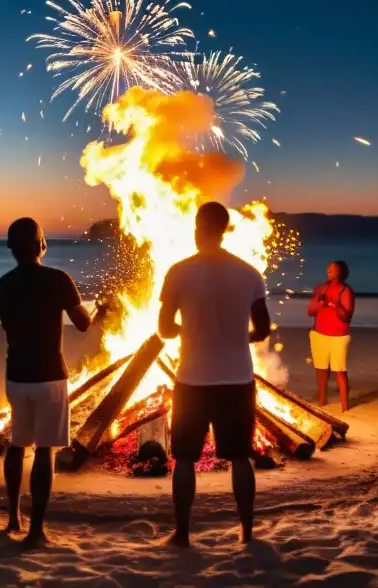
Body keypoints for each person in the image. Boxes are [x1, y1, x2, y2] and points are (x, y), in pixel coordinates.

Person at [158, 202, 272, 547]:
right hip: (237, 379)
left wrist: (187, 329)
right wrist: (238, 337)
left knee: (185, 459)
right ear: (225, 230)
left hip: (193, 379)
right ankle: (247, 532)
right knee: (240, 457)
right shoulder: (249, 273)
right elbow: (263, 329)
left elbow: (164, 329)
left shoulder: (178, 271)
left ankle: (181, 533)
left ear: (197, 228)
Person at [0, 217, 108, 549]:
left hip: (16, 375)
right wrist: (98, 309)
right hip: (50, 376)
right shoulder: (58, 279)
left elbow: (10, 325)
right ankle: (36, 529)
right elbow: (83, 324)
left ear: (11, 248)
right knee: (44, 450)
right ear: (42, 244)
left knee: (17, 444)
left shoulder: (3, 286)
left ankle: (13, 516)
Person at [307, 261, 355, 412]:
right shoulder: (321, 288)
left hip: (339, 336)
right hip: (319, 334)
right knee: (321, 369)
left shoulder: (346, 290)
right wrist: (320, 304)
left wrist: (336, 305)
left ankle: (344, 405)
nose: (329, 270)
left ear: (341, 272)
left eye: (333, 269)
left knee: (339, 370)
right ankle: (322, 400)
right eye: (328, 268)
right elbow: (310, 311)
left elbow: (347, 316)